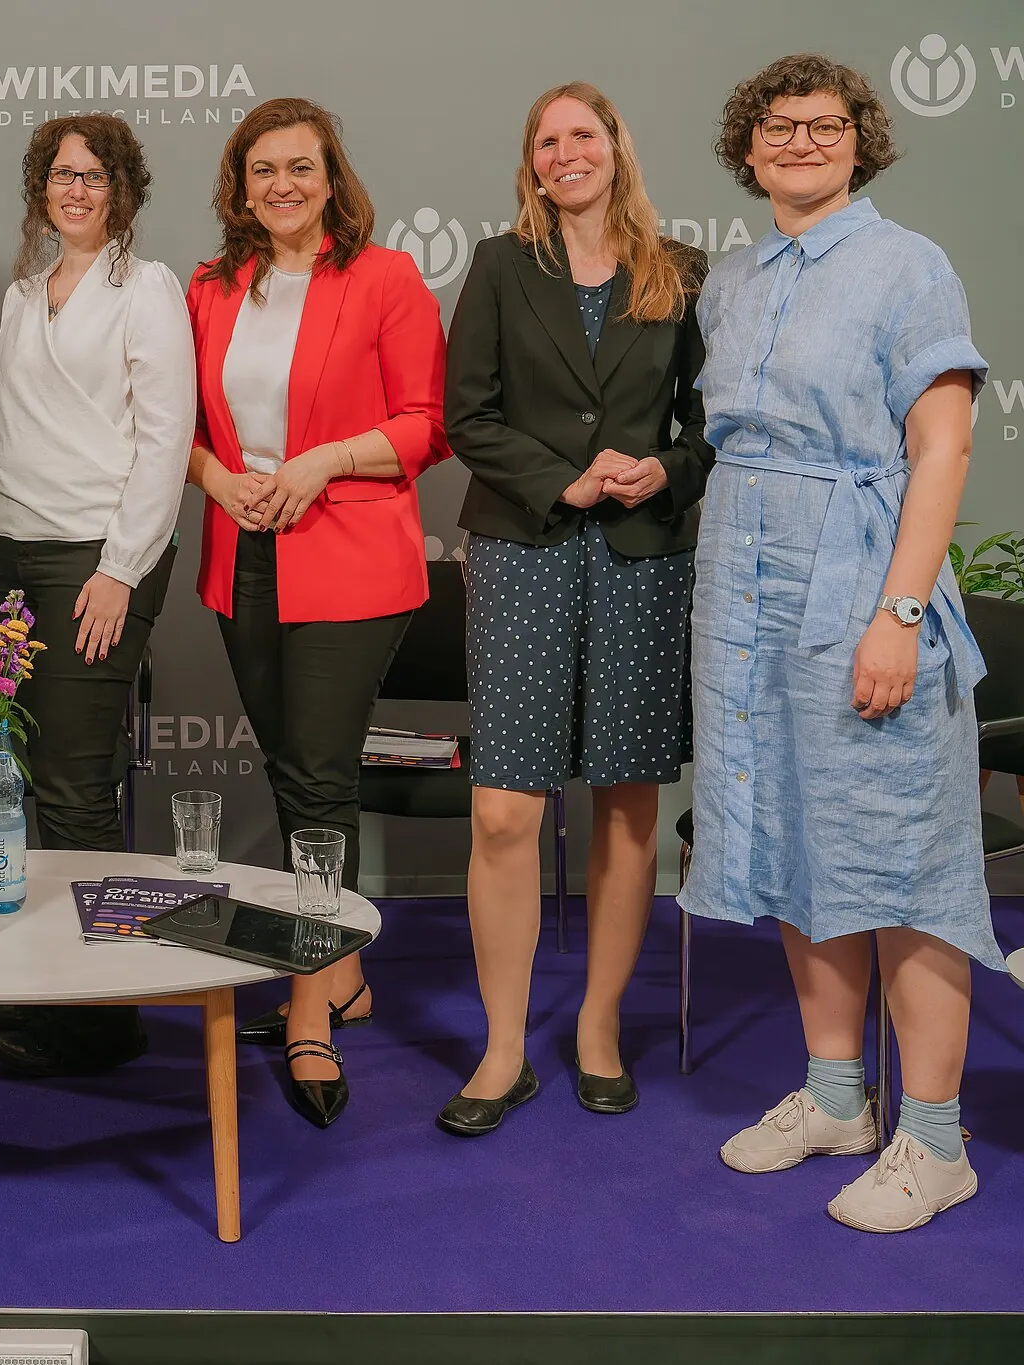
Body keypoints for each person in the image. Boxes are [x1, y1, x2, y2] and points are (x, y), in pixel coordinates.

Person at [689, 54, 999, 1232]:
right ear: (748, 146)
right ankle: (835, 1097)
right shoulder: (733, 276)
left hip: (860, 580)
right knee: (791, 840)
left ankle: (934, 1138)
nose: (801, 141)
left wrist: (898, 612)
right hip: (743, 584)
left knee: (903, 864)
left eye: (824, 126)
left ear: (858, 142)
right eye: (778, 125)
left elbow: (943, 449)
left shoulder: (905, 265)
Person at [438, 83, 712, 1136]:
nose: (566, 154)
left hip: (644, 559)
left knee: (626, 802)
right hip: (526, 548)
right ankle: (502, 1048)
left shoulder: (677, 272)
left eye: (581, 136)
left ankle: (597, 1026)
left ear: (614, 148)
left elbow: (707, 421)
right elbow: (469, 415)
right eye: (546, 140)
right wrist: (567, 480)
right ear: (531, 161)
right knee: (504, 809)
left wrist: (662, 470)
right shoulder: (501, 266)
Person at [185, 97, 450, 1128]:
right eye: (261, 171)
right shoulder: (209, 289)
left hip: (347, 556)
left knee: (319, 777)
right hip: (240, 553)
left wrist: (324, 461)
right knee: (291, 773)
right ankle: (340, 970)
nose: (281, 186)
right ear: (238, 186)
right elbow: (171, 419)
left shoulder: (383, 279)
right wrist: (213, 479)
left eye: (300, 167)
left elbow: (424, 427)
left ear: (331, 178)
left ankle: (308, 1005)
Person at [0, 115, 195, 1076]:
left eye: (94, 176)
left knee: (76, 784)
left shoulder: (147, 289)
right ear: (40, 187)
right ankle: (52, 978)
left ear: (123, 190)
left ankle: (105, 1013)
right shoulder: (23, 296)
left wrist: (120, 568)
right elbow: (3, 431)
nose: (75, 189)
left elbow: (166, 439)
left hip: (98, 558)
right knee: (26, 779)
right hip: (15, 553)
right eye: (61, 174)